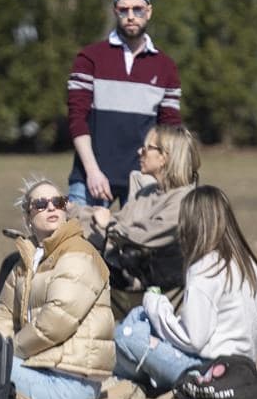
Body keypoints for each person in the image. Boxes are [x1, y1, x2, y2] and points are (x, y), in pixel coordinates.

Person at [113, 185, 257, 393]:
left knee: (125, 334)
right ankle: (133, 376)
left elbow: (193, 339)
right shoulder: (247, 263)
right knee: (137, 316)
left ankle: (130, 378)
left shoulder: (204, 268)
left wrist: (156, 303)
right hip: (244, 366)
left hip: (206, 368)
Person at [0, 177, 114, 399]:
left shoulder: (79, 253)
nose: (51, 207)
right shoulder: (26, 261)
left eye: (58, 202)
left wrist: (6, 354)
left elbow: (57, 320)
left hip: (72, 381)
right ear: (27, 218)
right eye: (41, 204)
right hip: (41, 368)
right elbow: (4, 312)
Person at [67, 0, 182, 207]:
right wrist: (92, 172)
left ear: (148, 12)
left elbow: (170, 129)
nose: (131, 16)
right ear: (115, 11)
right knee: (76, 243)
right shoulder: (89, 58)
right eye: (124, 9)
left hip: (144, 181)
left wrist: (164, 175)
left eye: (137, 9)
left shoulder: (166, 67)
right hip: (91, 178)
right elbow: (77, 120)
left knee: (140, 244)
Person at [73, 124, 200, 295]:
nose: (140, 152)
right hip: (123, 262)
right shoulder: (147, 193)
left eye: (147, 148)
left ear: (164, 157)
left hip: (144, 276)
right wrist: (67, 209)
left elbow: (144, 235)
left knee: (72, 265)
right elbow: (117, 221)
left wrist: (109, 225)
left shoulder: (185, 200)